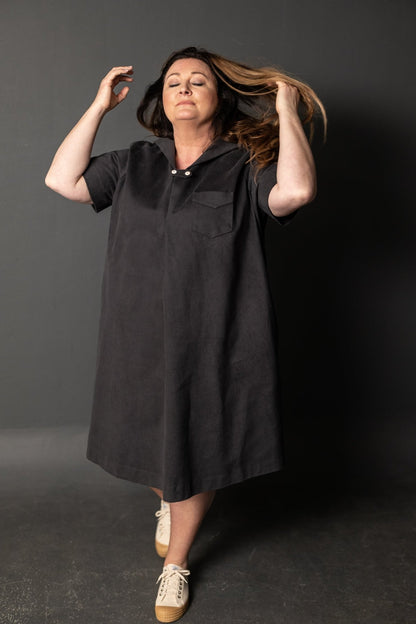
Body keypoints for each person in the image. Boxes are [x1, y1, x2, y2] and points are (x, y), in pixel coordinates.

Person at [45, 46, 326, 622]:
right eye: (174, 81)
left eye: (199, 81)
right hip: (138, 338)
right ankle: (171, 504)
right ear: (161, 100)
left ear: (219, 98)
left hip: (215, 339)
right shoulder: (134, 162)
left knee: (195, 451)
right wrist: (98, 106)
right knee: (155, 451)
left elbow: (296, 193)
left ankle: (176, 564)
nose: (185, 88)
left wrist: (286, 110)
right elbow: (61, 179)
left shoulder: (245, 164)